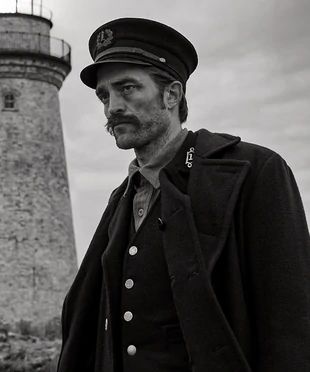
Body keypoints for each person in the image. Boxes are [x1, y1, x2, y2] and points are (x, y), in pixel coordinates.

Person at [57, 18, 310, 372]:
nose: (111, 106)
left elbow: (291, 324)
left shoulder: (254, 170)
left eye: (127, 88)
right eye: (104, 95)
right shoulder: (121, 199)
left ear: (172, 95)